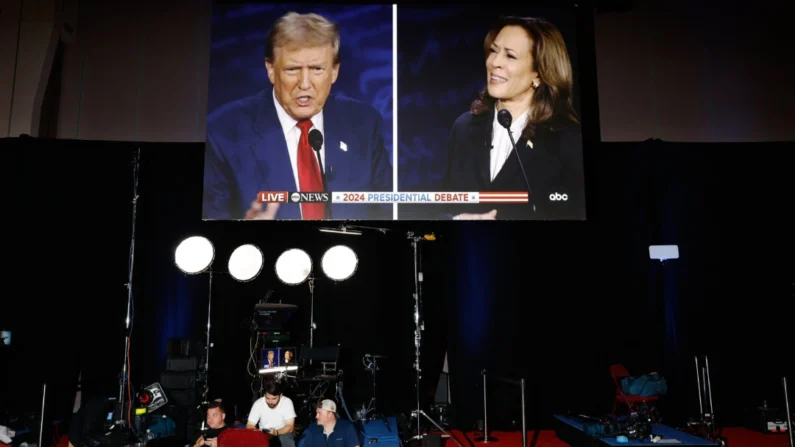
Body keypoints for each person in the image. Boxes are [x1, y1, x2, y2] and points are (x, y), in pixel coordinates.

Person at [203, 12, 392, 221]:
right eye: (293, 69)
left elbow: (387, 211)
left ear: (335, 71)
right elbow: (214, 221)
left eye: (316, 69)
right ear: (271, 70)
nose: (304, 83)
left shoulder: (364, 123)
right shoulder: (224, 132)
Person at [442, 16, 585, 220]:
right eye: (493, 51)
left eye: (510, 56)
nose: (495, 62)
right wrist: (455, 220)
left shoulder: (565, 138)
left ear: (539, 73)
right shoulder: (463, 128)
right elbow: (442, 206)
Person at [246, 380, 297, 447]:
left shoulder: (287, 402)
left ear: (280, 395)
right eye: (267, 398)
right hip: (263, 433)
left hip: (282, 433)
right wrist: (258, 432)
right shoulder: (258, 403)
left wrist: (276, 432)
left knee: (287, 439)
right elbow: (249, 425)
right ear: (264, 395)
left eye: (273, 399)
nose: (270, 402)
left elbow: (290, 427)